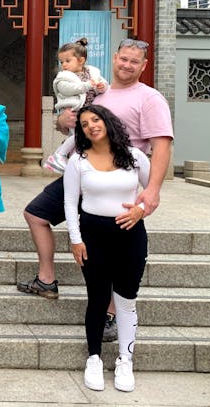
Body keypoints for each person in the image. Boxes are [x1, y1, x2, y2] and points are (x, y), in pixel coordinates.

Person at [17, 38, 173, 337]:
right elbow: (75, 126)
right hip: (83, 172)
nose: (126, 65)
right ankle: (46, 279)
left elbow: (161, 145)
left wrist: (152, 190)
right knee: (36, 214)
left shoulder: (149, 98)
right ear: (115, 58)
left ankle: (110, 314)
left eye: (134, 61)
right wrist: (63, 121)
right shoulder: (98, 91)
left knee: (113, 248)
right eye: (123, 58)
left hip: (118, 182)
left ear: (144, 65)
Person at [63, 104, 150, 393]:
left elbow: (151, 194)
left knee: (126, 299)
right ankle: (94, 357)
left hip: (130, 234)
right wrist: (75, 239)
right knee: (98, 298)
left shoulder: (135, 157)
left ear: (107, 121)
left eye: (95, 120)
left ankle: (126, 359)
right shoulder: (79, 160)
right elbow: (69, 202)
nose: (91, 126)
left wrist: (139, 209)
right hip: (93, 235)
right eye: (85, 124)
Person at [44, 38, 108, 173]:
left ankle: (81, 161)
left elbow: (103, 84)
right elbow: (69, 89)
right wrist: (88, 85)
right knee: (77, 135)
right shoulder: (62, 77)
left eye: (67, 61)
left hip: (90, 111)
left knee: (84, 138)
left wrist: (101, 87)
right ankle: (58, 155)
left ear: (81, 60)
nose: (64, 65)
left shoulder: (92, 73)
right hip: (74, 109)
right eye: (61, 62)